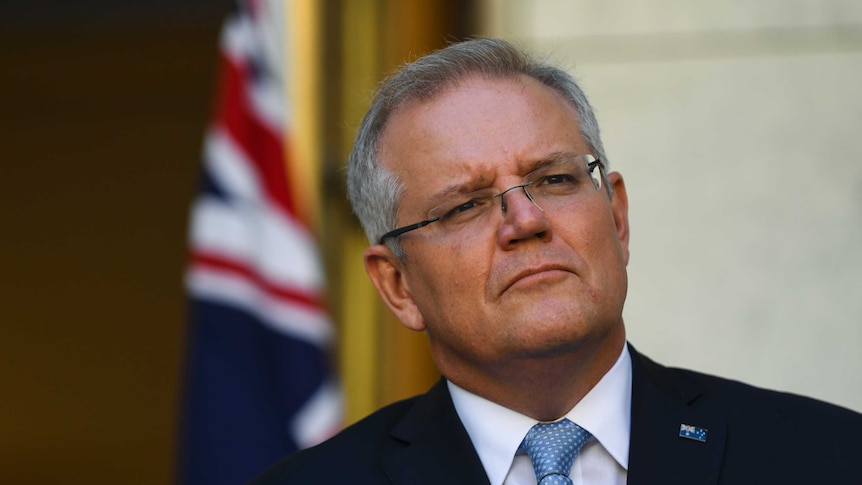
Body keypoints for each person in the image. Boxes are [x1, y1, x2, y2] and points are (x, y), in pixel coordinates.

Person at [249, 38, 862, 485]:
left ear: (617, 219)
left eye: (555, 179)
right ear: (399, 285)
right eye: (464, 206)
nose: (527, 221)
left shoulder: (828, 457)